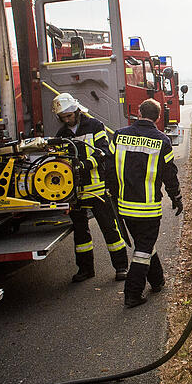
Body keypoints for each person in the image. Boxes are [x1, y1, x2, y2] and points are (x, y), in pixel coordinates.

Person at [112, 99, 183, 308]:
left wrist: (112, 197)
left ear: (138, 112)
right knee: (143, 249)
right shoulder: (162, 141)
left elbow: (108, 167)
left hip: (124, 206)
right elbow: (170, 175)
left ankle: (157, 280)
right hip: (148, 208)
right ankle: (132, 293)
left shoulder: (118, 135)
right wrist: (176, 197)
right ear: (158, 117)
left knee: (144, 243)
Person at [52, 93, 128, 283]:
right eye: (63, 118)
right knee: (80, 232)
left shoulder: (95, 126)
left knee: (109, 229)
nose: (67, 120)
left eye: (69, 116)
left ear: (77, 111)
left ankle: (121, 267)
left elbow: (104, 152)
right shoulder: (62, 135)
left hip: (97, 188)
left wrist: (85, 164)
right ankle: (85, 269)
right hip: (75, 192)